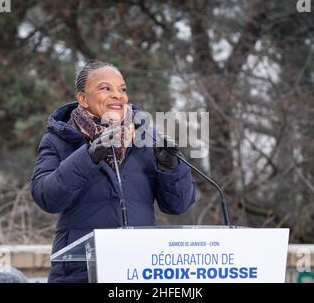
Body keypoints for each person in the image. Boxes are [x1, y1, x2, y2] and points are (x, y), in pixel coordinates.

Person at [30, 60, 196, 283]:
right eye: (106, 88)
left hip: (138, 271)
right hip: (80, 273)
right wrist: (89, 156)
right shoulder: (58, 139)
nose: (118, 95)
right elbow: (46, 197)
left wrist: (172, 167)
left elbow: (179, 205)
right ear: (83, 99)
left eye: (122, 89)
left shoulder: (148, 137)